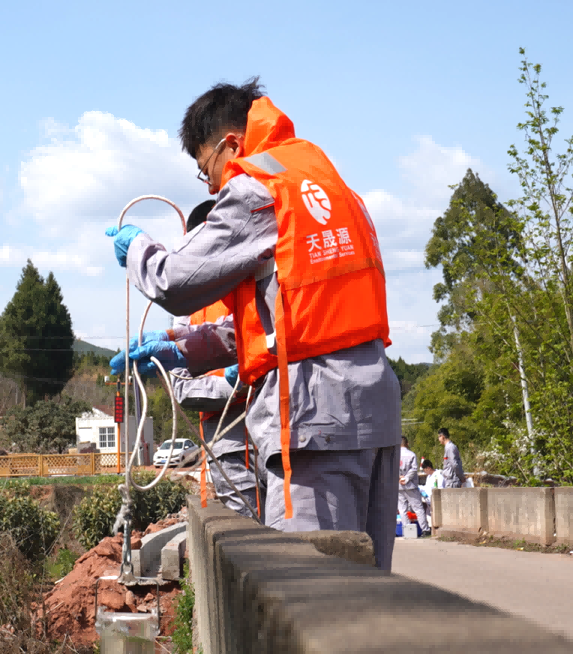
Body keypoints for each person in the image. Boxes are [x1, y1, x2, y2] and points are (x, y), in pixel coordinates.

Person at [106, 79, 402, 571]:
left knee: (312, 590)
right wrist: (184, 348)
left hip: (313, 412)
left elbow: (174, 281)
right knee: (367, 587)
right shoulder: (327, 184)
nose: (214, 189)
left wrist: (138, 248)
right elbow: (296, 316)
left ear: (231, 145)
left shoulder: (257, 186)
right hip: (373, 402)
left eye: (207, 171)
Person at [168, 200, 263, 519]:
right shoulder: (186, 308)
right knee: (246, 537)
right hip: (228, 446)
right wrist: (232, 387)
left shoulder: (259, 281)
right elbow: (182, 389)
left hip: (275, 435)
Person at [397, 437, 428, 534]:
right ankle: (425, 529)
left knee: (402, 509)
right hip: (410, 485)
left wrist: (399, 478)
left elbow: (392, 468)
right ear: (407, 443)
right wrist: (406, 479)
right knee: (418, 508)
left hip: (399, 486)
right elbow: (414, 469)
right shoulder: (411, 455)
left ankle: (407, 531)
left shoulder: (394, 455)